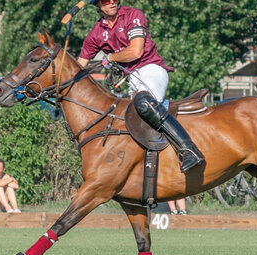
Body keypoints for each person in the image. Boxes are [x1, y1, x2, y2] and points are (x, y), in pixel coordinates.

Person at [77, 0, 204, 172]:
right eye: (106, 0)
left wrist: (111, 58)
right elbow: (79, 66)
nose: (112, 2)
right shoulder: (97, 32)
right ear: (98, 5)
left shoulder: (132, 15)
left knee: (144, 104)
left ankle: (189, 150)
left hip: (151, 70)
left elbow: (135, 51)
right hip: (132, 79)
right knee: (126, 120)